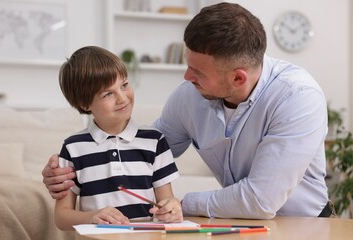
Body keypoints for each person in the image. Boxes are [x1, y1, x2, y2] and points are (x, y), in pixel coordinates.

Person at [43, 3, 333, 219]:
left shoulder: (297, 98)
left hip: (304, 225)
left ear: (238, 78)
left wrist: (184, 203)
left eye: (197, 72)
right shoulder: (188, 96)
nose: (185, 77)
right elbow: (146, 151)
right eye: (188, 64)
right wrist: (64, 175)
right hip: (235, 223)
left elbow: (260, 201)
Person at [53, 46, 182, 231]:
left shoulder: (155, 141)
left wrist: (172, 208)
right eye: (108, 94)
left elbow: (166, 200)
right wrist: (91, 217)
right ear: (85, 104)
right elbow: (61, 217)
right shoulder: (73, 147)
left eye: (124, 85)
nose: (122, 98)